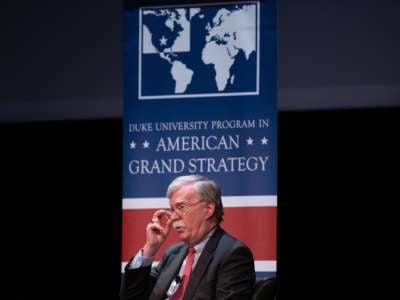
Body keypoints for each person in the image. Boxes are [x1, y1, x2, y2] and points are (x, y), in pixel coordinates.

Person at [120, 175, 255, 300]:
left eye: (181, 206)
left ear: (208, 209)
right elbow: (131, 296)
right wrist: (150, 248)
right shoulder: (173, 253)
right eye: (172, 209)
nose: (173, 217)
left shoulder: (233, 254)